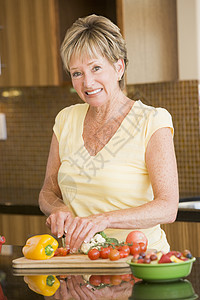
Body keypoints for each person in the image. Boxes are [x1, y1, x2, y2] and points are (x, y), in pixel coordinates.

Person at [39, 14, 179, 253]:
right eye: (77, 73)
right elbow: (47, 192)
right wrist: (58, 208)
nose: (88, 82)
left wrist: (103, 220)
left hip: (139, 262)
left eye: (96, 68)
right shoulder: (65, 120)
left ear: (118, 67)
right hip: (81, 263)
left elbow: (167, 207)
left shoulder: (152, 120)